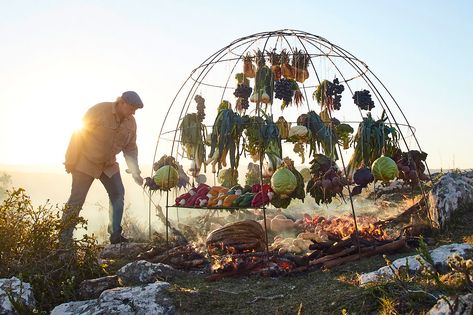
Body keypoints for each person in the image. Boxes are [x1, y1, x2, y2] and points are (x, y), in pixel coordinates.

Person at [61, 91, 144, 245]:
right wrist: (70, 160)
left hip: (109, 165)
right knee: (77, 200)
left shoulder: (131, 123)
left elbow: (131, 149)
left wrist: (135, 172)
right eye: (132, 108)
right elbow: (78, 133)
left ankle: (115, 236)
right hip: (86, 162)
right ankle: (64, 240)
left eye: (136, 110)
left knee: (118, 194)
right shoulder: (99, 111)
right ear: (122, 103)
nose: (133, 112)